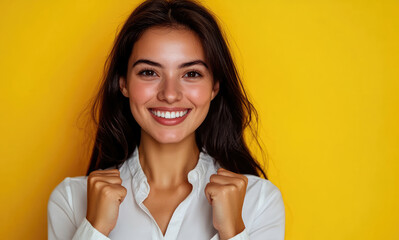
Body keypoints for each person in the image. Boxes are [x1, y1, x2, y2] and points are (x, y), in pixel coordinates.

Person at [47, 0, 285, 239]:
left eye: (191, 74)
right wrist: (95, 229)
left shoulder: (259, 201)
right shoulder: (71, 199)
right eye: (149, 72)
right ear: (123, 83)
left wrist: (232, 232)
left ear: (214, 87)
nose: (170, 94)